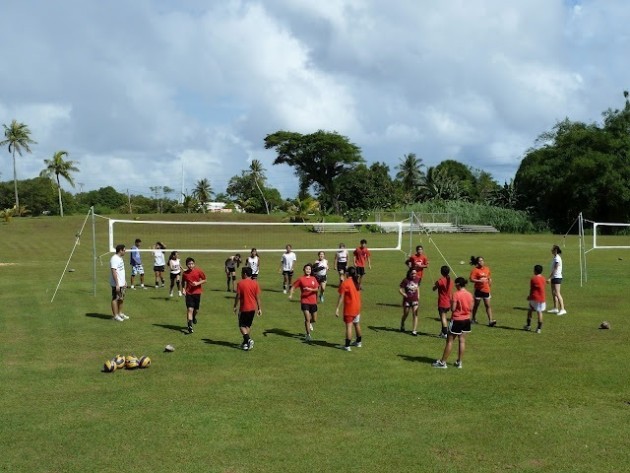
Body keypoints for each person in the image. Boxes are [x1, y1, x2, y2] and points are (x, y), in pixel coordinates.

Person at [432, 277, 473, 369]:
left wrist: (452, 302)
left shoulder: (456, 294)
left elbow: (453, 309)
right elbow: (471, 308)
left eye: (455, 284)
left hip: (457, 320)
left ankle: (443, 363)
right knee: (462, 341)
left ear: (458, 284)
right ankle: (459, 362)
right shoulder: (469, 294)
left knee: (449, 341)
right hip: (467, 320)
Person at [233, 266, 262, 351]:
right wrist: (259, 308)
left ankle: (249, 339)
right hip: (252, 308)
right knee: (247, 325)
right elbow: (257, 297)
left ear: (245, 274)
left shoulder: (240, 283)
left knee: (241, 326)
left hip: (244, 308)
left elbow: (238, 296)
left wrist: (235, 306)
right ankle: (245, 343)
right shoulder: (255, 283)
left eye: (242, 273)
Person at [288, 263, 319, 341]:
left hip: (313, 301)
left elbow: (317, 289)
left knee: (314, 319)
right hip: (305, 301)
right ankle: (308, 335)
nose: (308, 270)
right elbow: (293, 287)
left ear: (311, 270)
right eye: (306, 269)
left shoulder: (313, 279)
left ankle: (309, 323)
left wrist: (310, 290)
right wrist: (291, 294)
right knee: (307, 319)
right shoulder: (301, 279)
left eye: (309, 269)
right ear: (304, 270)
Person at [335, 266, 363, 351]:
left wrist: (337, 308)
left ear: (347, 273)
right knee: (357, 324)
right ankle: (359, 342)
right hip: (357, 307)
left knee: (349, 326)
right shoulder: (356, 282)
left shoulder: (345, 283)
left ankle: (347, 346)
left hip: (349, 308)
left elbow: (341, 297)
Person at [181, 257, 207, 334]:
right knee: (190, 309)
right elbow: (183, 282)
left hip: (197, 293)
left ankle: (194, 317)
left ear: (194, 264)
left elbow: (205, 279)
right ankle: (190, 326)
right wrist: (183, 289)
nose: (191, 265)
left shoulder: (198, 271)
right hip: (189, 293)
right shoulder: (185, 273)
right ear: (187, 265)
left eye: (192, 264)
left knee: (196, 310)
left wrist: (197, 283)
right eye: (189, 264)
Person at [469, 256, 496, 326]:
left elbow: (489, 277)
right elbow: (471, 279)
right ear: (477, 262)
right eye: (479, 261)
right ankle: (473, 319)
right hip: (478, 290)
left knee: (488, 305)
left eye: (482, 260)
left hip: (486, 290)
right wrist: (479, 280)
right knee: (476, 305)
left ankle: (490, 321)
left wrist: (490, 280)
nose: (481, 262)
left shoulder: (487, 269)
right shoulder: (475, 270)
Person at [432, 265, 453, 339]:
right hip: (448, 302)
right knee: (443, 317)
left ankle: (445, 333)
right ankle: (442, 332)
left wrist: (434, 286)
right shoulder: (450, 280)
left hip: (442, 302)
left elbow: (434, 288)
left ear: (441, 272)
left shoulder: (441, 280)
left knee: (443, 317)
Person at [525, 264, 547, 333]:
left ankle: (528, 326)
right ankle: (539, 328)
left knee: (530, 310)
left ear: (535, 271)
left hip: (534, 297)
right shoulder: (543, 279)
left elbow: (532, 289)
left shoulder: (533, 279)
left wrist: (529, 296)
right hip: (542, 297)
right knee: (539, 312)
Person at [399, 268, 420, 335]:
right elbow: (400, 289)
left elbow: (417, 287)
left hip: (415, 299)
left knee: (415, 314)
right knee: (406, 314)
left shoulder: (417, 279)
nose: (414, 275)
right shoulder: (405, 280)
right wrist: (403, 294)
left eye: (415, 273)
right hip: (407, 300)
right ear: (409, 273)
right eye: (413, 273)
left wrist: (418, 294)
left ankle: (414, 330)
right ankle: (402, 323)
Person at [110, 244, 128, 322]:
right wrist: (117, 284)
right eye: (124, 250)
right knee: (115, 298)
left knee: (121, 298)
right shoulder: (114, 259)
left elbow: (121, 271)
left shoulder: (120, 258)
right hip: (116, 284)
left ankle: (120, 313)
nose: (125, 251)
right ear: (120, 250)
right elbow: (114, 271)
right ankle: (115, 316)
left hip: (122, 283)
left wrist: (124, 281)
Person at [547, 245, 566, 316]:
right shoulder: (555, 257)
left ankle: (563, 309)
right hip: (554, 277)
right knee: (553, 293)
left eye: (552, 249)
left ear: (555, 250)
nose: (551, 250)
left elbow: (555, 268)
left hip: (557, 277)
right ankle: (555, 308)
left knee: (557, 293)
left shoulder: (557, 258)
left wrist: (549, 278)